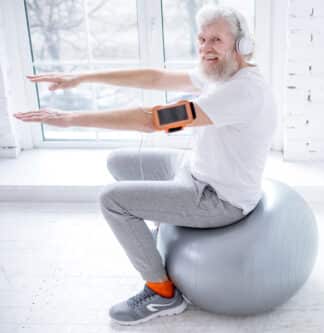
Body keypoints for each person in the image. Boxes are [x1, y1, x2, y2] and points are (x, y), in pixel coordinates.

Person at [14, 5, 277, 326]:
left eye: (216, 40)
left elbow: (155, 121)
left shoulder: (242, 91)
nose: (206, 48)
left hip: (218, 197)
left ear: (241, 45)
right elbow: (156, 77)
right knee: (120, 162)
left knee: (112, 200)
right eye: (202, 39)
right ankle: (160, 236)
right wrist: (81, 77)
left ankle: (162, 293)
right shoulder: (220, 73)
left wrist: (69, 119)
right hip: (193, 169)